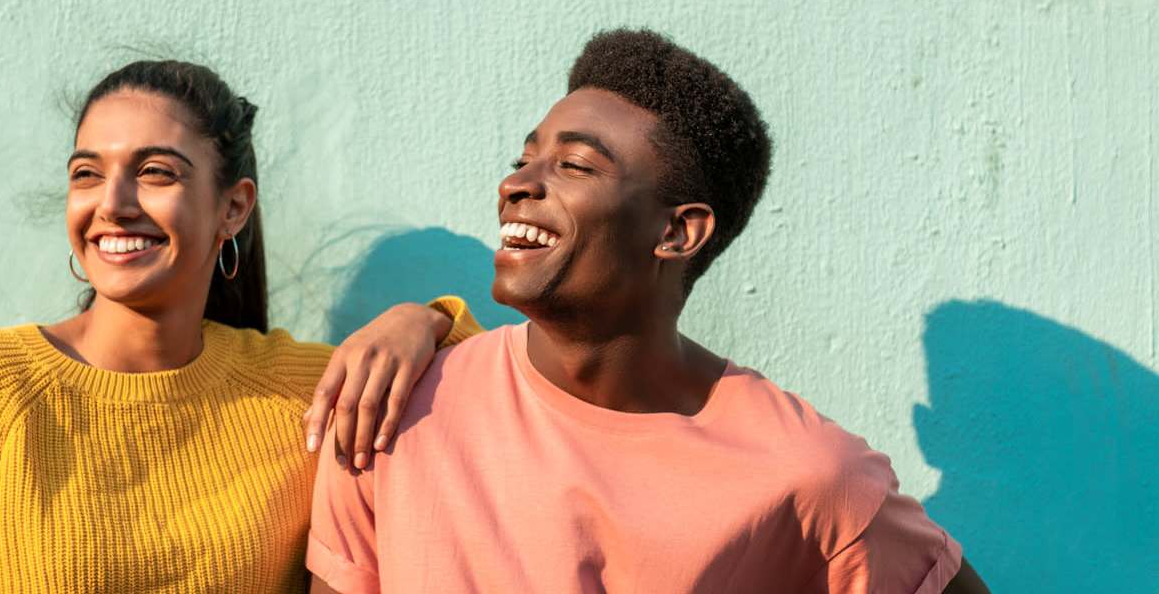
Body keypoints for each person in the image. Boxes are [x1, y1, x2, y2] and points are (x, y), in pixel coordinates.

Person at [306, 30, 990, 593]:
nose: (517, 185)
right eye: (524, 159)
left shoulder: (811, 476)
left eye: (575, 166)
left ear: (677, 233)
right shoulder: (392, 411)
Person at [0, 59, 482, 593]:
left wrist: (426, 320)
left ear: (233, 207)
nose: (112, 203)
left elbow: (506, 405)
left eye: (156, 171)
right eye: (86, 173)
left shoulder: (304, 393)